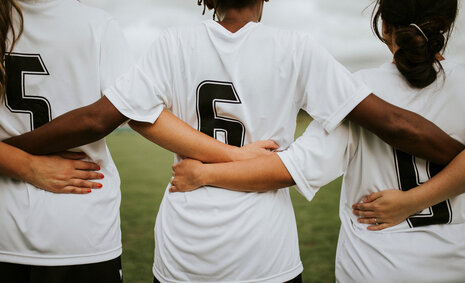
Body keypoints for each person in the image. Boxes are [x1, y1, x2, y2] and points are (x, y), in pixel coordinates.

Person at [3, 0, 464, 282]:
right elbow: (391, 124)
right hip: (264, 250)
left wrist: (12, 152)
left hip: (185, 246)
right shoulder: (297, 47)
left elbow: (109, 116)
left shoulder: (171, 43)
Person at [170, 0, 465, 281]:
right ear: (447, 25)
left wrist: (206, 173)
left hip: (376, 267)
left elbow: (293, 167)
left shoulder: (359, 90)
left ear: (385, 25)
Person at [0, 0, 133, 281]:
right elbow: (108, 116)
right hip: (82, 225)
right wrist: (27, 164)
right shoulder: (97, 23)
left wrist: (11, 155)